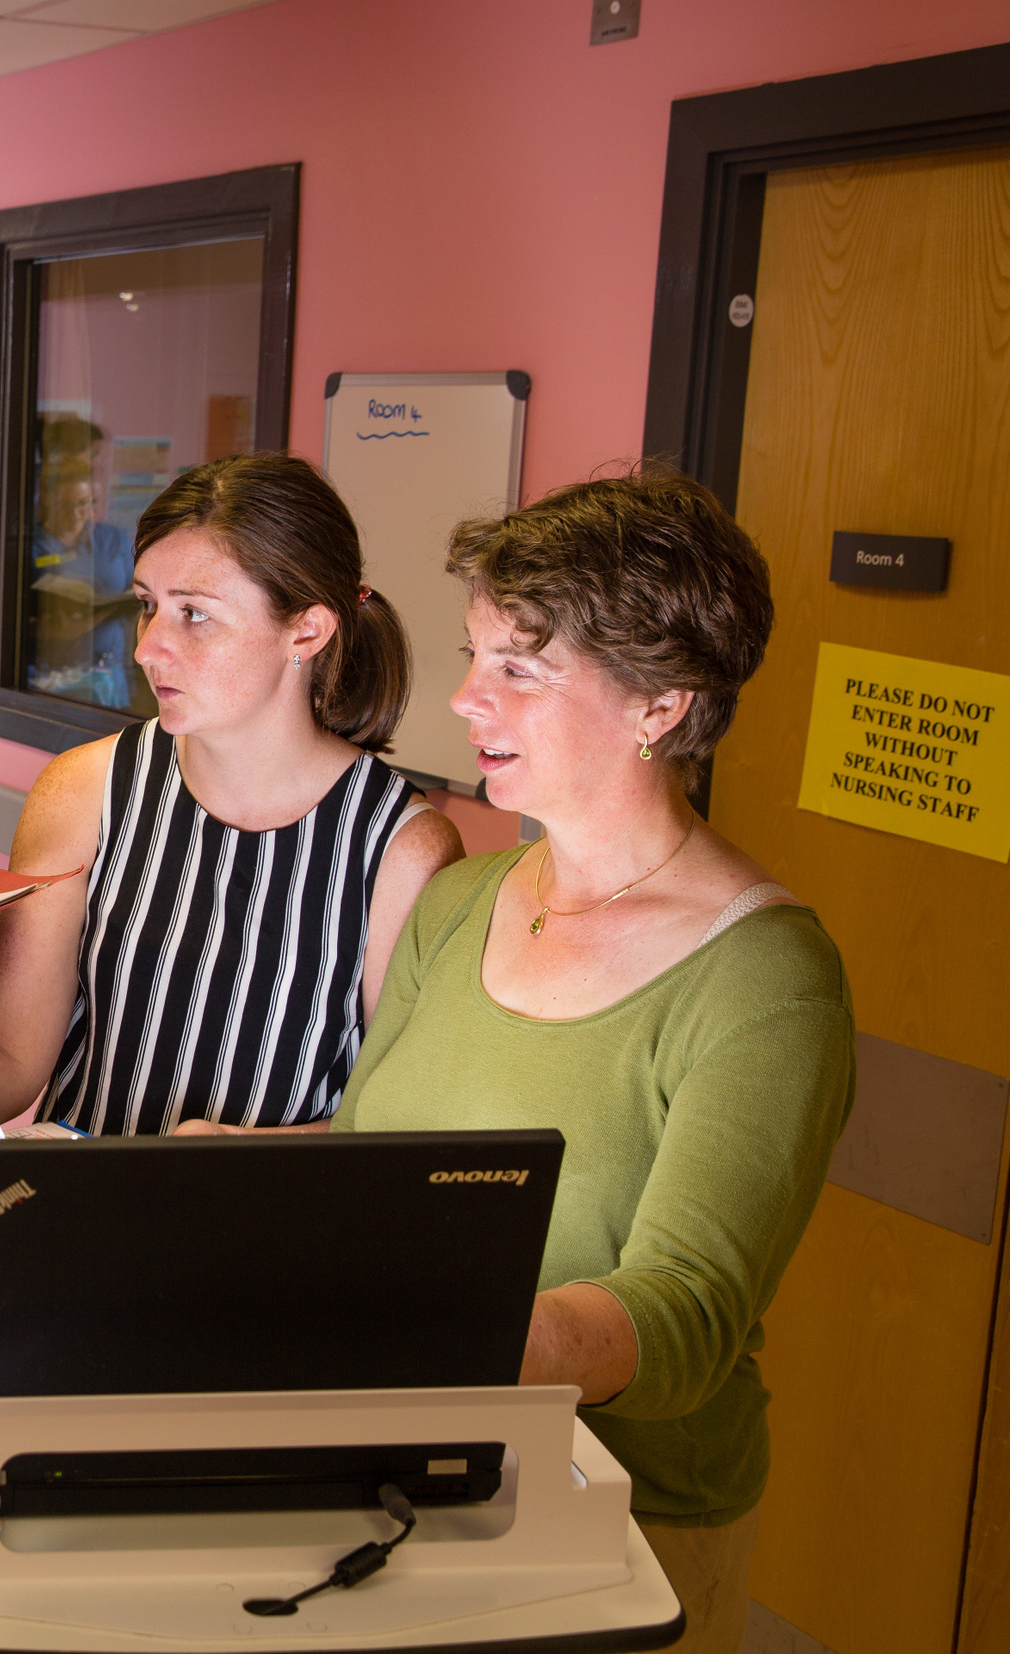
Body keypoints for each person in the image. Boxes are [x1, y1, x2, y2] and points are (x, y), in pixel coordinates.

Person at [333, 467, 854, 1653]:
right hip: (398, 1466)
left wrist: (459, 1341)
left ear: (657, 705)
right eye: (472, 655)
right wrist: (216, 1178)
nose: (464, 698)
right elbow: (363, 1162)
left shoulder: (764, 978)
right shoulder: (459, 900)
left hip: (623, 1520)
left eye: (519, 668)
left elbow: (682, 1312)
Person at [0, 455, 462, 1195]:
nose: (146, 647)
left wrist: (250, 1151)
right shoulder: (84, 789)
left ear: (306, 630)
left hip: (270, 1238)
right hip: (73, 1224)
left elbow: (394, 1125)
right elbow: (11, 1055)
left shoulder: (401, 847)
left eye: (194, 613)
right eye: (147, 604)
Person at [25, 458, 139, 710]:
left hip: (111, 672)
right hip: (55, 677)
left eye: (84, 503)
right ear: (48, 499)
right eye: (67, 505)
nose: (77, 513)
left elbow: (135, 591)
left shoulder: (113, 539)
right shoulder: (33, 547)